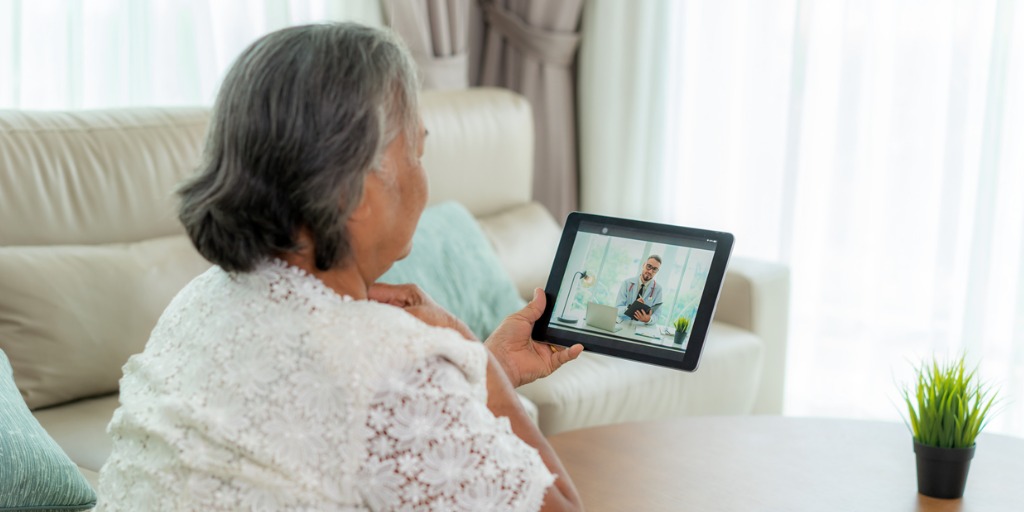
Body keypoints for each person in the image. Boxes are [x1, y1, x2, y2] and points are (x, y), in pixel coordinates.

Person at [95, 23, 584, 511]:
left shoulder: (198, 302)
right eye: (417, 151)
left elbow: (321, 437)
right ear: (354, 195)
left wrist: (478, 367)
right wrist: (469, 355)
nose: (424, 176)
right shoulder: (393, 364)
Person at [615, 255, 664, 324]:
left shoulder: (658, 289)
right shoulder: (627, 283)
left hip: (641, 327)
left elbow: (657, 315)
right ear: (643, 265)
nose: (650, 271)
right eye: (649, 266)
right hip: (623, 323)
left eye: (655, 269)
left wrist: (648, 319)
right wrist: (631, 307)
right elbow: (617, 309)